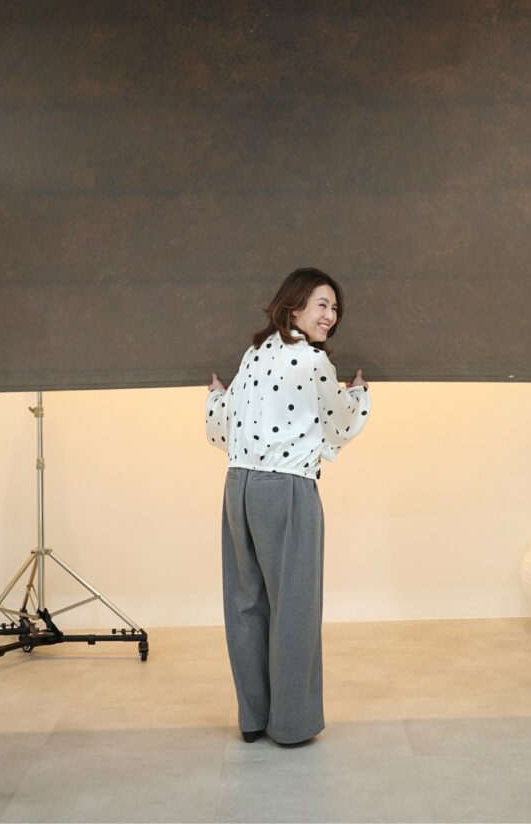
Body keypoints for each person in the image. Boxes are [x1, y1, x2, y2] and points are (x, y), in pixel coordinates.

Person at [205, 267, 371, 746]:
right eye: (322, 304)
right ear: (294, 306)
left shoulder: (252, 354)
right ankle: (292, 725)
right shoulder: (314, 362)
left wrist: (215, 397)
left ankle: (252, 718)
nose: (330, 315)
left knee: (246, 604)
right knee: (294, 606)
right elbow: (338, 424)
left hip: (238, 487)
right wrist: (359, 395)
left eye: (335, 308)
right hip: (287, 488)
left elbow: (224, 423)